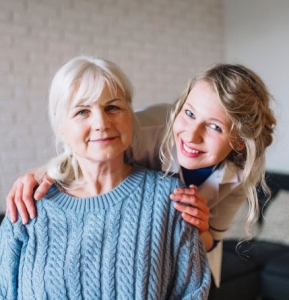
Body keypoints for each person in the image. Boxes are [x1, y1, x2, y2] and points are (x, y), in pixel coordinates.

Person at [5, 63, 276, 288]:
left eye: (215, 127)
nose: (191, 136)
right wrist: (39, 173)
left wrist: (200, 226)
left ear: (240, 141)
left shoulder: (242, 173)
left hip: (189, 259)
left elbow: (211, 240)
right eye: (189, 113)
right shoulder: (145, 128)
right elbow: (90, 145)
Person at [0, 55, 211, 299]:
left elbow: (193, 293)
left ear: (130, 116)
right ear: (61, 127)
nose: (101, 122)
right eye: (82, 111)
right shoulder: (28, 207)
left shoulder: (171, 198)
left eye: (112, 107)